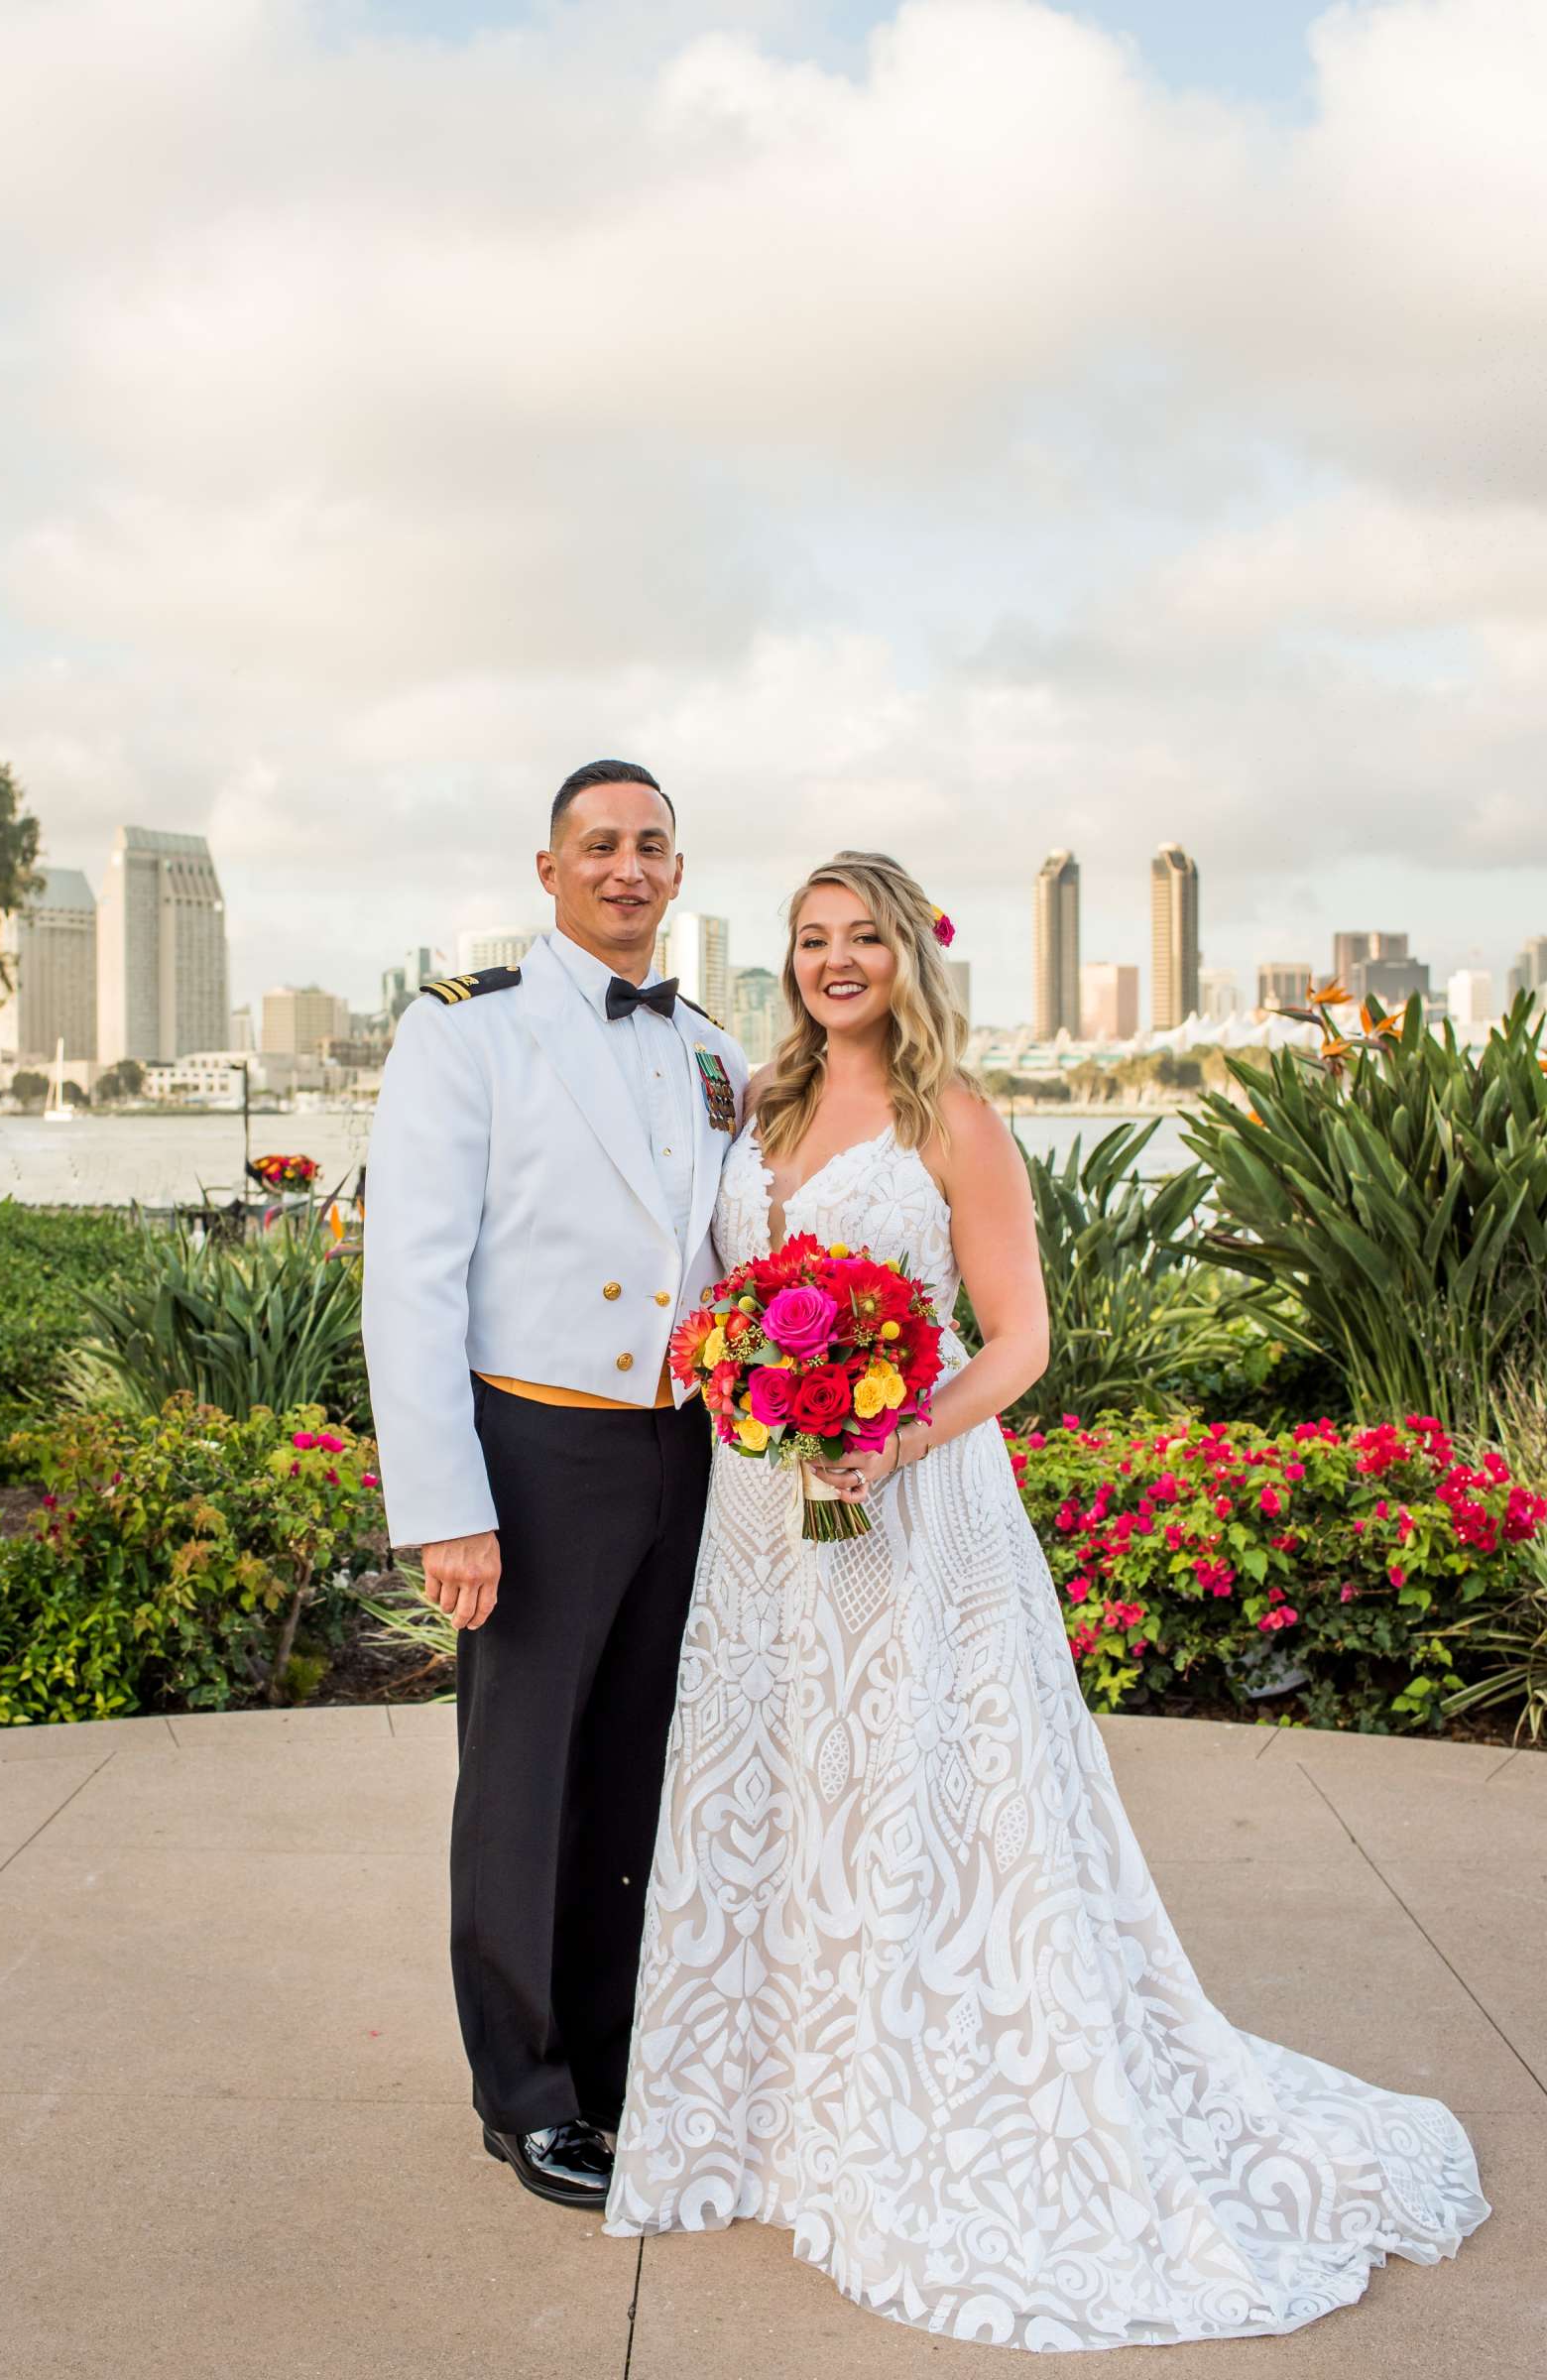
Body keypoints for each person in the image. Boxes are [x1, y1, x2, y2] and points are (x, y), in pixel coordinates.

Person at [605, 850, 1488, 2349]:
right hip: (763, 1517)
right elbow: (707, 1290)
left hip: (913, 1503)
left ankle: (921, 2105)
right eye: (813, 940)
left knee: (926, 1806)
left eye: (862, 938)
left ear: (907, 955)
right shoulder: (752, 1111)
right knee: (789, 1795)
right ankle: (779, 2122)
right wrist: (730, 1372)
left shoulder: (955, 1120)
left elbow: (1019, 1341)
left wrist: (893, 1436)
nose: (836, 963)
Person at [361, 761, 747, 2210]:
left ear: (677, 869)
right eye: (601, 845)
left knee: (633, 1773)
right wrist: (445, 1502)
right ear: (549, 869)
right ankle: (522, 2094)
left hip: (679, 1445)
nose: (627, 869)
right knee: (523, 1781)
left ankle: (610, 2062)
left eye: (651, 846)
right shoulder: (468, 1031)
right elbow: (408, 1276)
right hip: (530, 1447)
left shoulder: (708, 1045)